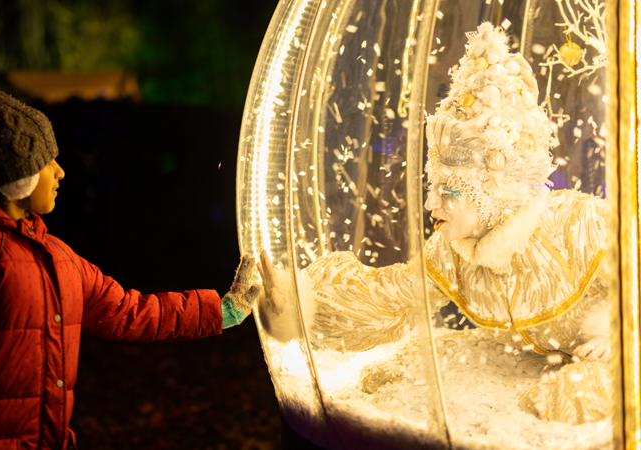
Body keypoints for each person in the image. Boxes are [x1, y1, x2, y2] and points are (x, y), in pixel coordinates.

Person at [259, 22, 611, 425]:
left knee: (570, 399)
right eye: (433, 187)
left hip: (613, 359)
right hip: (532, 358)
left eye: (451, 192)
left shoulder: (576, 224)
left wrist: (618, 333)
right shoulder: (452, 251)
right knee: (397, 372)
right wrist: (303, 306)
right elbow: (392, 295)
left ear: (494, 192)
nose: (431, 203)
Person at [0, 89, 261, 450]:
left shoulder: (58, 259)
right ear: (15, 176)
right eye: (46, 162)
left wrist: (227, 310)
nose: (60, 172)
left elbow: (132, 312)